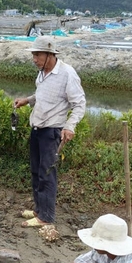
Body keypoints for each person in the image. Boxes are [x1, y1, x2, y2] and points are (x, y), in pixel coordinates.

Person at [13, 36, 86, 227]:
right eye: (34, 55)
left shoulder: (67, 74)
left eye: (37, 55)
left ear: (50, 54)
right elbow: (42, 95)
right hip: (37, 128)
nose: (34, 59)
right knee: (36, 171)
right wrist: (27, 100)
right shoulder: (42, 72)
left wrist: (70, 126)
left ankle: (46, 217)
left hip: (52, 131)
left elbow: (79, 104)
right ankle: (39, 209)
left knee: (47, 173)